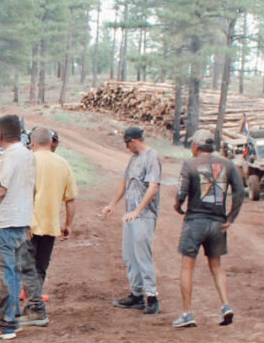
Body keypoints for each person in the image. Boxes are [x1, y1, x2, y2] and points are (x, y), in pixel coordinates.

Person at [172, 127, 245, 328]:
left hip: (195, 221)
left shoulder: (190, 165)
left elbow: (181, 193)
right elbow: (239, 192)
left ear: (195, 146)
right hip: (218, 223)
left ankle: (187, 313)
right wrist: (231, 217)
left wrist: (178, 206)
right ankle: (225, 305)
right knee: (216, 266)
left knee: (187, 266)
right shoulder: (227, 164)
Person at [0, 114, 36, 340]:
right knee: (15, 272)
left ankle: (6, 324)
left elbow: (1, 191)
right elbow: (32, 190)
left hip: (5, 224)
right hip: (21, 222)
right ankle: (13, 318)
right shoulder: (29, 156)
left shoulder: (8, 158)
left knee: (5, 275)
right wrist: (29, 219)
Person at [99, 125, 164, 315]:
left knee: (143, 256)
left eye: (127, 143)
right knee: (129, 255)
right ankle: (136, 294)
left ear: (133, 140)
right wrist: (112, 204)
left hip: (144, 215)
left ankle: (152, 296)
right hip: (130, 214)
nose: (126, 147)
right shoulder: (133, 159)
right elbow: (125, 183)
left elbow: (153, 187)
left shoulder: (152, 157)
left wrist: (138, 210)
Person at [24, 125, 76, 325]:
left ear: (33, 142)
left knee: (27, 267)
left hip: (29, 224)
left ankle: (37, 310)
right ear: (51, 142)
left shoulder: (29, 160)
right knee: (39, 268)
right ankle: (32, 306)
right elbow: (70, 200)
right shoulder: (63, 164)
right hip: (51, 226)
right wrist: (68, 224)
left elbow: (22, 193)